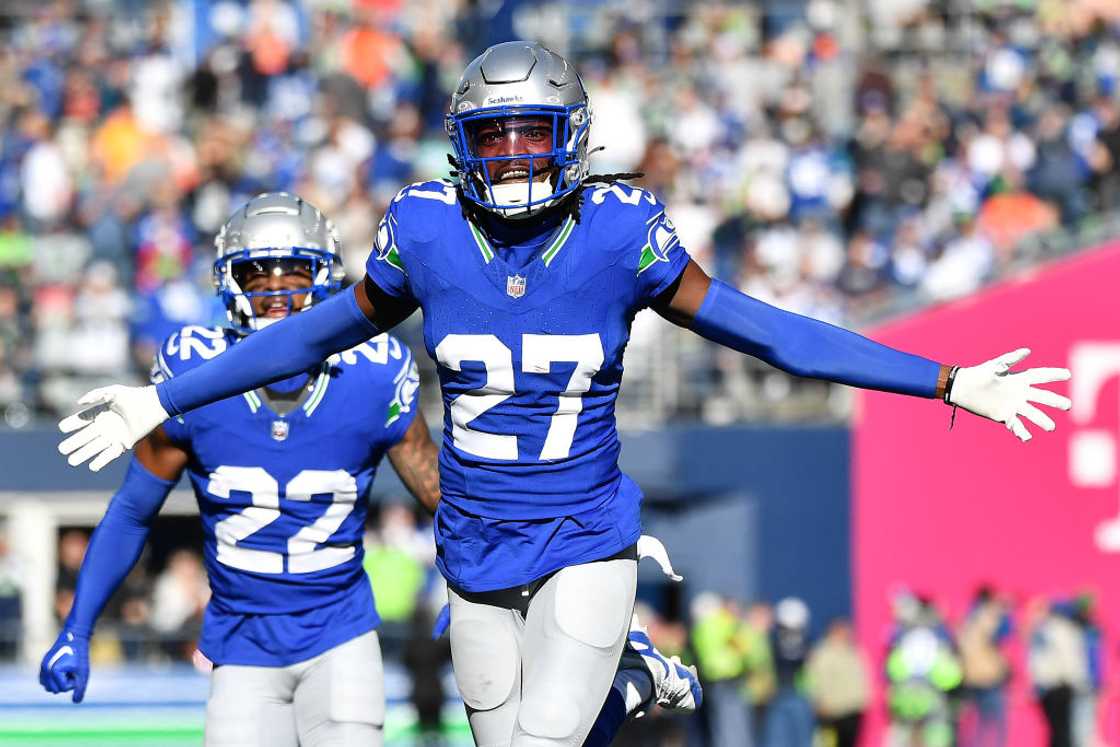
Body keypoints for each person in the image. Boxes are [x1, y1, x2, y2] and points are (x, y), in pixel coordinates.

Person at [57, 41, 1069, 747]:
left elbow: (771, 334)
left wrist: (941, 378)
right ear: (460, 143)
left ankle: (616, 667)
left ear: (572, 134)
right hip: (472, 557)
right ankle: (626, 685)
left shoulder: (621, 231)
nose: (510, 156)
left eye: (530, 133)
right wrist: (166, 398)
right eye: (490, 137)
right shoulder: (425, 229)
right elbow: (316, 330)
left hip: (585, 536)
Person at [42, 191, 699, 747]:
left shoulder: (371, 372)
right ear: (227, 281)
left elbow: (441, 488)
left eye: (293, 271)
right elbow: (132, 508)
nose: (277, 292)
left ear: (325, 278)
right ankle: (627, 681)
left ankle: (622, 675)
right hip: (239, 645)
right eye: (258, 274)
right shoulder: (193, 374)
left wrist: (482, 582)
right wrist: (77, 628)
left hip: (339, 636)